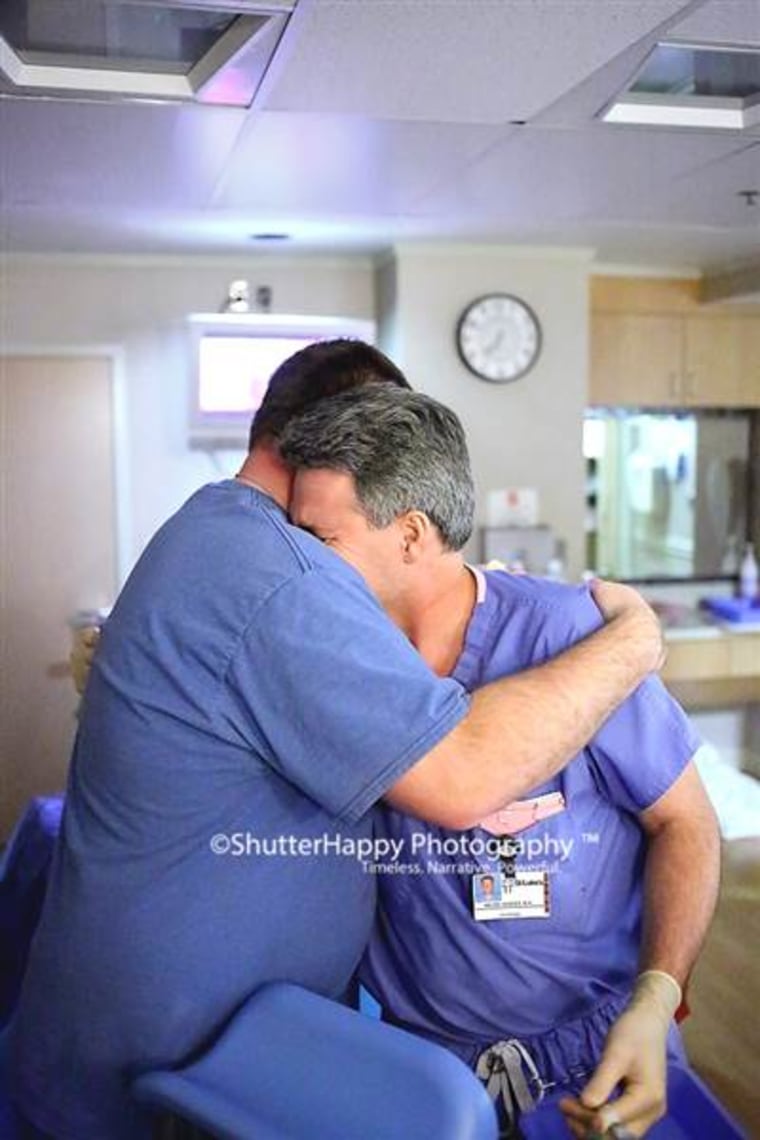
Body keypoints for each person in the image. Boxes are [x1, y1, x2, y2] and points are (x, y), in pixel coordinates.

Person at [10, 340, 664, 1140]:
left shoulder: (215, 529)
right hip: (163, 1059)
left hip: (207, 1036)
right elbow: (460, 779)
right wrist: (635, 638)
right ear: (327, 438)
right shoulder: (280, 571)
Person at [277, 384, 721, 1140]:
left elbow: (686, 822)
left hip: (594, 1060)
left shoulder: (571, 637)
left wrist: (656, 1001)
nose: (300, 565)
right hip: (422, 1066)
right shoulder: (337, 660)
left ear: (411, 535)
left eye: (322, 540)